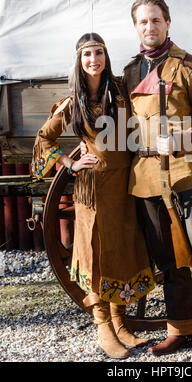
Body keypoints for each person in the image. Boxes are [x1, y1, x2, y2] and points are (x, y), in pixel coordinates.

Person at [121, 0, 192, 362]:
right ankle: (181, 330)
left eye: (156, 20)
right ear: (136, 27)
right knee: (168, 260)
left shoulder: (189, 67)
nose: (150, 27)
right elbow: (121, 127)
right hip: (147, 179)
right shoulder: (128, 73)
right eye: (143, 22)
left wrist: (183, 138)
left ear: (168, 23)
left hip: (185, 175)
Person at [31, 32, 155, 360]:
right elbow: (44, 138)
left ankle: (119, 320)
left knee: (122, 247)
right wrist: (70, 162)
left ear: (105, 56)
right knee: (95, 252)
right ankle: (102, 325)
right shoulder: (74, 101)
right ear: (79, 60)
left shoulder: (119, 90)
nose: (93, 59)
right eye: (87, 54)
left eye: (98, 52)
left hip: (123, 186)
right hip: (93, 190)